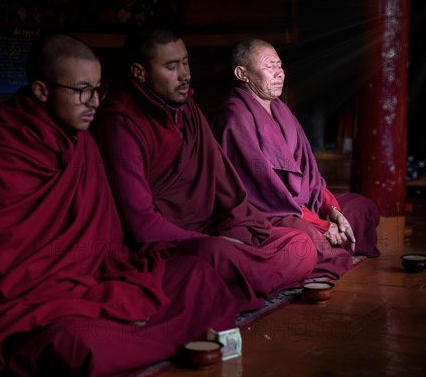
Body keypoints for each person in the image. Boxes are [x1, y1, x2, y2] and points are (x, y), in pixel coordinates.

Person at [0, 33, 237, 377]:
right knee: (78, 344)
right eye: (82, 90)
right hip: (33, 300)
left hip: (95, 280)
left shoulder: (82, 140)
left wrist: (95, 284)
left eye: (99, 89)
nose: (95, 102)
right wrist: (71, 290)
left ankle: (139, 334)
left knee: (197, 275)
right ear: (41, 91)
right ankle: (153, 334)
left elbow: (106, 241)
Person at [93, 28, 318, 314]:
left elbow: (224, 184)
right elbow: (141, 224)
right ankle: (233, 282)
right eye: (172, 67)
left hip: (213, 230)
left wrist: (239, 227)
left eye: (186, 63)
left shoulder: (187, 107)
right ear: (139, 72)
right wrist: (209, 241)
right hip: (172, 244)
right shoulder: (121, 122)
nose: (185, 74)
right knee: (217, 256)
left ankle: (233, 283)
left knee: (299, 243)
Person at [211, 38, 380, 279]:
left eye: (280, 65)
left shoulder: (281, 110)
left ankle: (333, 239)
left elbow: (311, 176)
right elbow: (264, 193)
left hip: (302, 207)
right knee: (303, 242)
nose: (279, 73)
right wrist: (320, 225)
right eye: (270, 66)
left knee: (362, 208)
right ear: (243, 73)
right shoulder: (235, 118)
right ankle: (329, 244)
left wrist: (332, 212)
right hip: (267, 214)